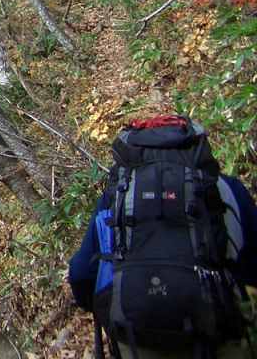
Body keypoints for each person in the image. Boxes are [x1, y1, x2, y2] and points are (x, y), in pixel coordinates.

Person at [68, 115, 257, 359]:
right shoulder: (225, 190)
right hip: (220, 335)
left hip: (138, 338)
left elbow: (82, 273)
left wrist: (97, 305)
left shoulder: (117, 198)